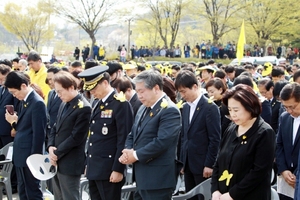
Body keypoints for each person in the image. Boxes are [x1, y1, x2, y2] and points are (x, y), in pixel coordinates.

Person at [119, 70, 181, 200]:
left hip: (157, 179)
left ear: (156, 88)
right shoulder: (143, 107)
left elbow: (162, 142)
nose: (139, 95)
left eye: (142, 91)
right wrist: (127, 152)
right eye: (137, 91)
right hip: (142, 177)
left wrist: (135, 155)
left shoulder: (169, 110)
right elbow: (133, 133)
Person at [211, 84, 276, 200]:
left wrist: (233, 194)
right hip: (223, 195)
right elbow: (219, 161)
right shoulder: (231, 128)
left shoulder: (264, 133)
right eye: (230, 110)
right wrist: (215, 189)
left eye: (236, 110)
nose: (233, 114)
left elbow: (258, 172)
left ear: (250, 106)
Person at [78, 66, 134, 200]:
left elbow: (123, 139)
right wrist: (88, 164)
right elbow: (94, 138)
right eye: (89, 90)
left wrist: (118, 169)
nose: (92, 93)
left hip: (109, 168)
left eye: (94, 88)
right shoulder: (98, 103)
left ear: (104, 83)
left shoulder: (120, 104)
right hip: (95, 167)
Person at [174, 70, 221, 200]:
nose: (182, 95)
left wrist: (210, 164)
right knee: (190, 196)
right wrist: (182, 161)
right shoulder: (186, 107)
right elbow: (183, 136)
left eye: (184, 91)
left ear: (195, 87)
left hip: (203, 164)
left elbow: (215, 139)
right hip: (188, 163)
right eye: (180, 92)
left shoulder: (210, 108)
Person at [48, 71, 91, 200]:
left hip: (70, 161)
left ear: (71, 87)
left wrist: (57, 152)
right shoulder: (64, 103)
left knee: (70, 196)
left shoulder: (84, 107)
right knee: (58, 196)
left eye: (60, 91)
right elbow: (55, 127)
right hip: (57, 159)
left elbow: (76, 137)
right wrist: (50, 146)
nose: (58, 95)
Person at [4, 71, 47, 200]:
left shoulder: (37, 103)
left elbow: (39, 134)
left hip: (30, 156)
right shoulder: (25, 101)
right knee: (23, 190)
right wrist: (14, 123)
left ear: (23, 86)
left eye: (14, 92)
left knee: (32, 191)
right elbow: (25, 128)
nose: (14, 96)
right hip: (21, 155)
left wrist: (35, 160)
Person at [277, 83, 300, 200]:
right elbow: (279, 144)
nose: (289, 111)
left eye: (293, 107)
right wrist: (283, 170)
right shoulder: (284, 117)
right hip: (285, 178)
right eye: (286, 107)